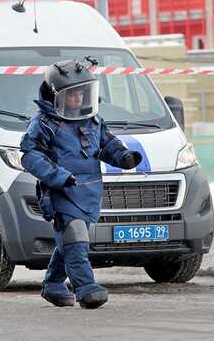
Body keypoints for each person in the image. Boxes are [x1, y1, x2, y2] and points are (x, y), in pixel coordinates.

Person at [20, 59, 142, 309]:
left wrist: (124, 157)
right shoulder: (44, 123)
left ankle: (53, 284)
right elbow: (31, 156)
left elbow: (107, 144)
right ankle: (86, 287)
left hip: (88, 192)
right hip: (62, 191)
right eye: (72, 94)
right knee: (75, 239)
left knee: (70, 240)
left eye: (82, 93)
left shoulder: (93, 121)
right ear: (56, 95)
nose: (78, 99)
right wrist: (59, 176)